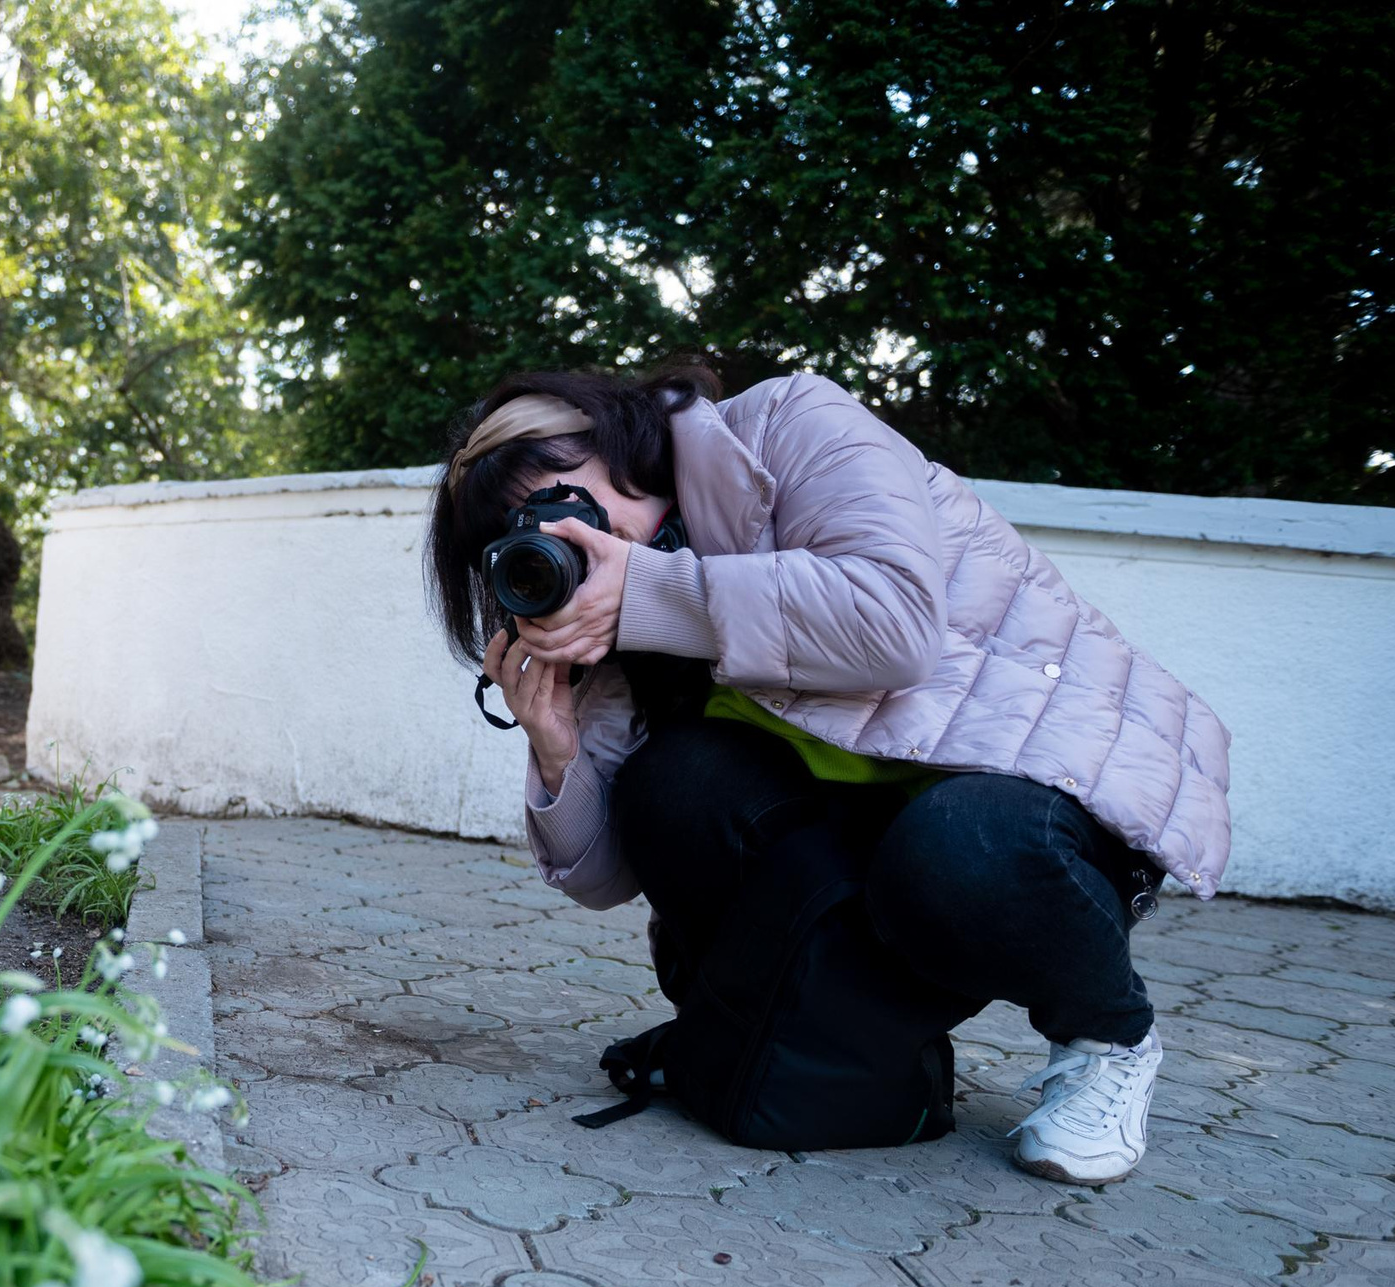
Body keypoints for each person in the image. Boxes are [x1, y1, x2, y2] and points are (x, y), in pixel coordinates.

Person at [427, 366, 1232, 1184]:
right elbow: (609, 875)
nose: (564, 538)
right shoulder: (613, 608)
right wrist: (557, 745)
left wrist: (647, 587)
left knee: (959, 845)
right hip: (866, 836)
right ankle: (763, 1032)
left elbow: (895, 623)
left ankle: (1110, 1036)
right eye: (522, 530)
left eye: (563, 500)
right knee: (672, 787)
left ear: (614, 438)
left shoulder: (786, 426)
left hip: (1028, 789)